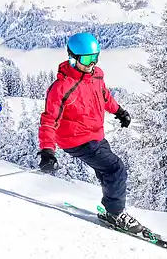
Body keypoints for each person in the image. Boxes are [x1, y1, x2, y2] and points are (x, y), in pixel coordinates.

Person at [36, 31, 144, 234]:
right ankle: (115, 213)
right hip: (75, 140)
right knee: (115, 168)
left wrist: (119, 111)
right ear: (73, 58)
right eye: (86, 59)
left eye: (95, 58)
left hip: (95, 135)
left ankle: (109, 207)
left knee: (107, 171)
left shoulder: (96, 76)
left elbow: (104, 97)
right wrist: (47, 151)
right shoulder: (61, 88)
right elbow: (49, 120)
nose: (91, 63)